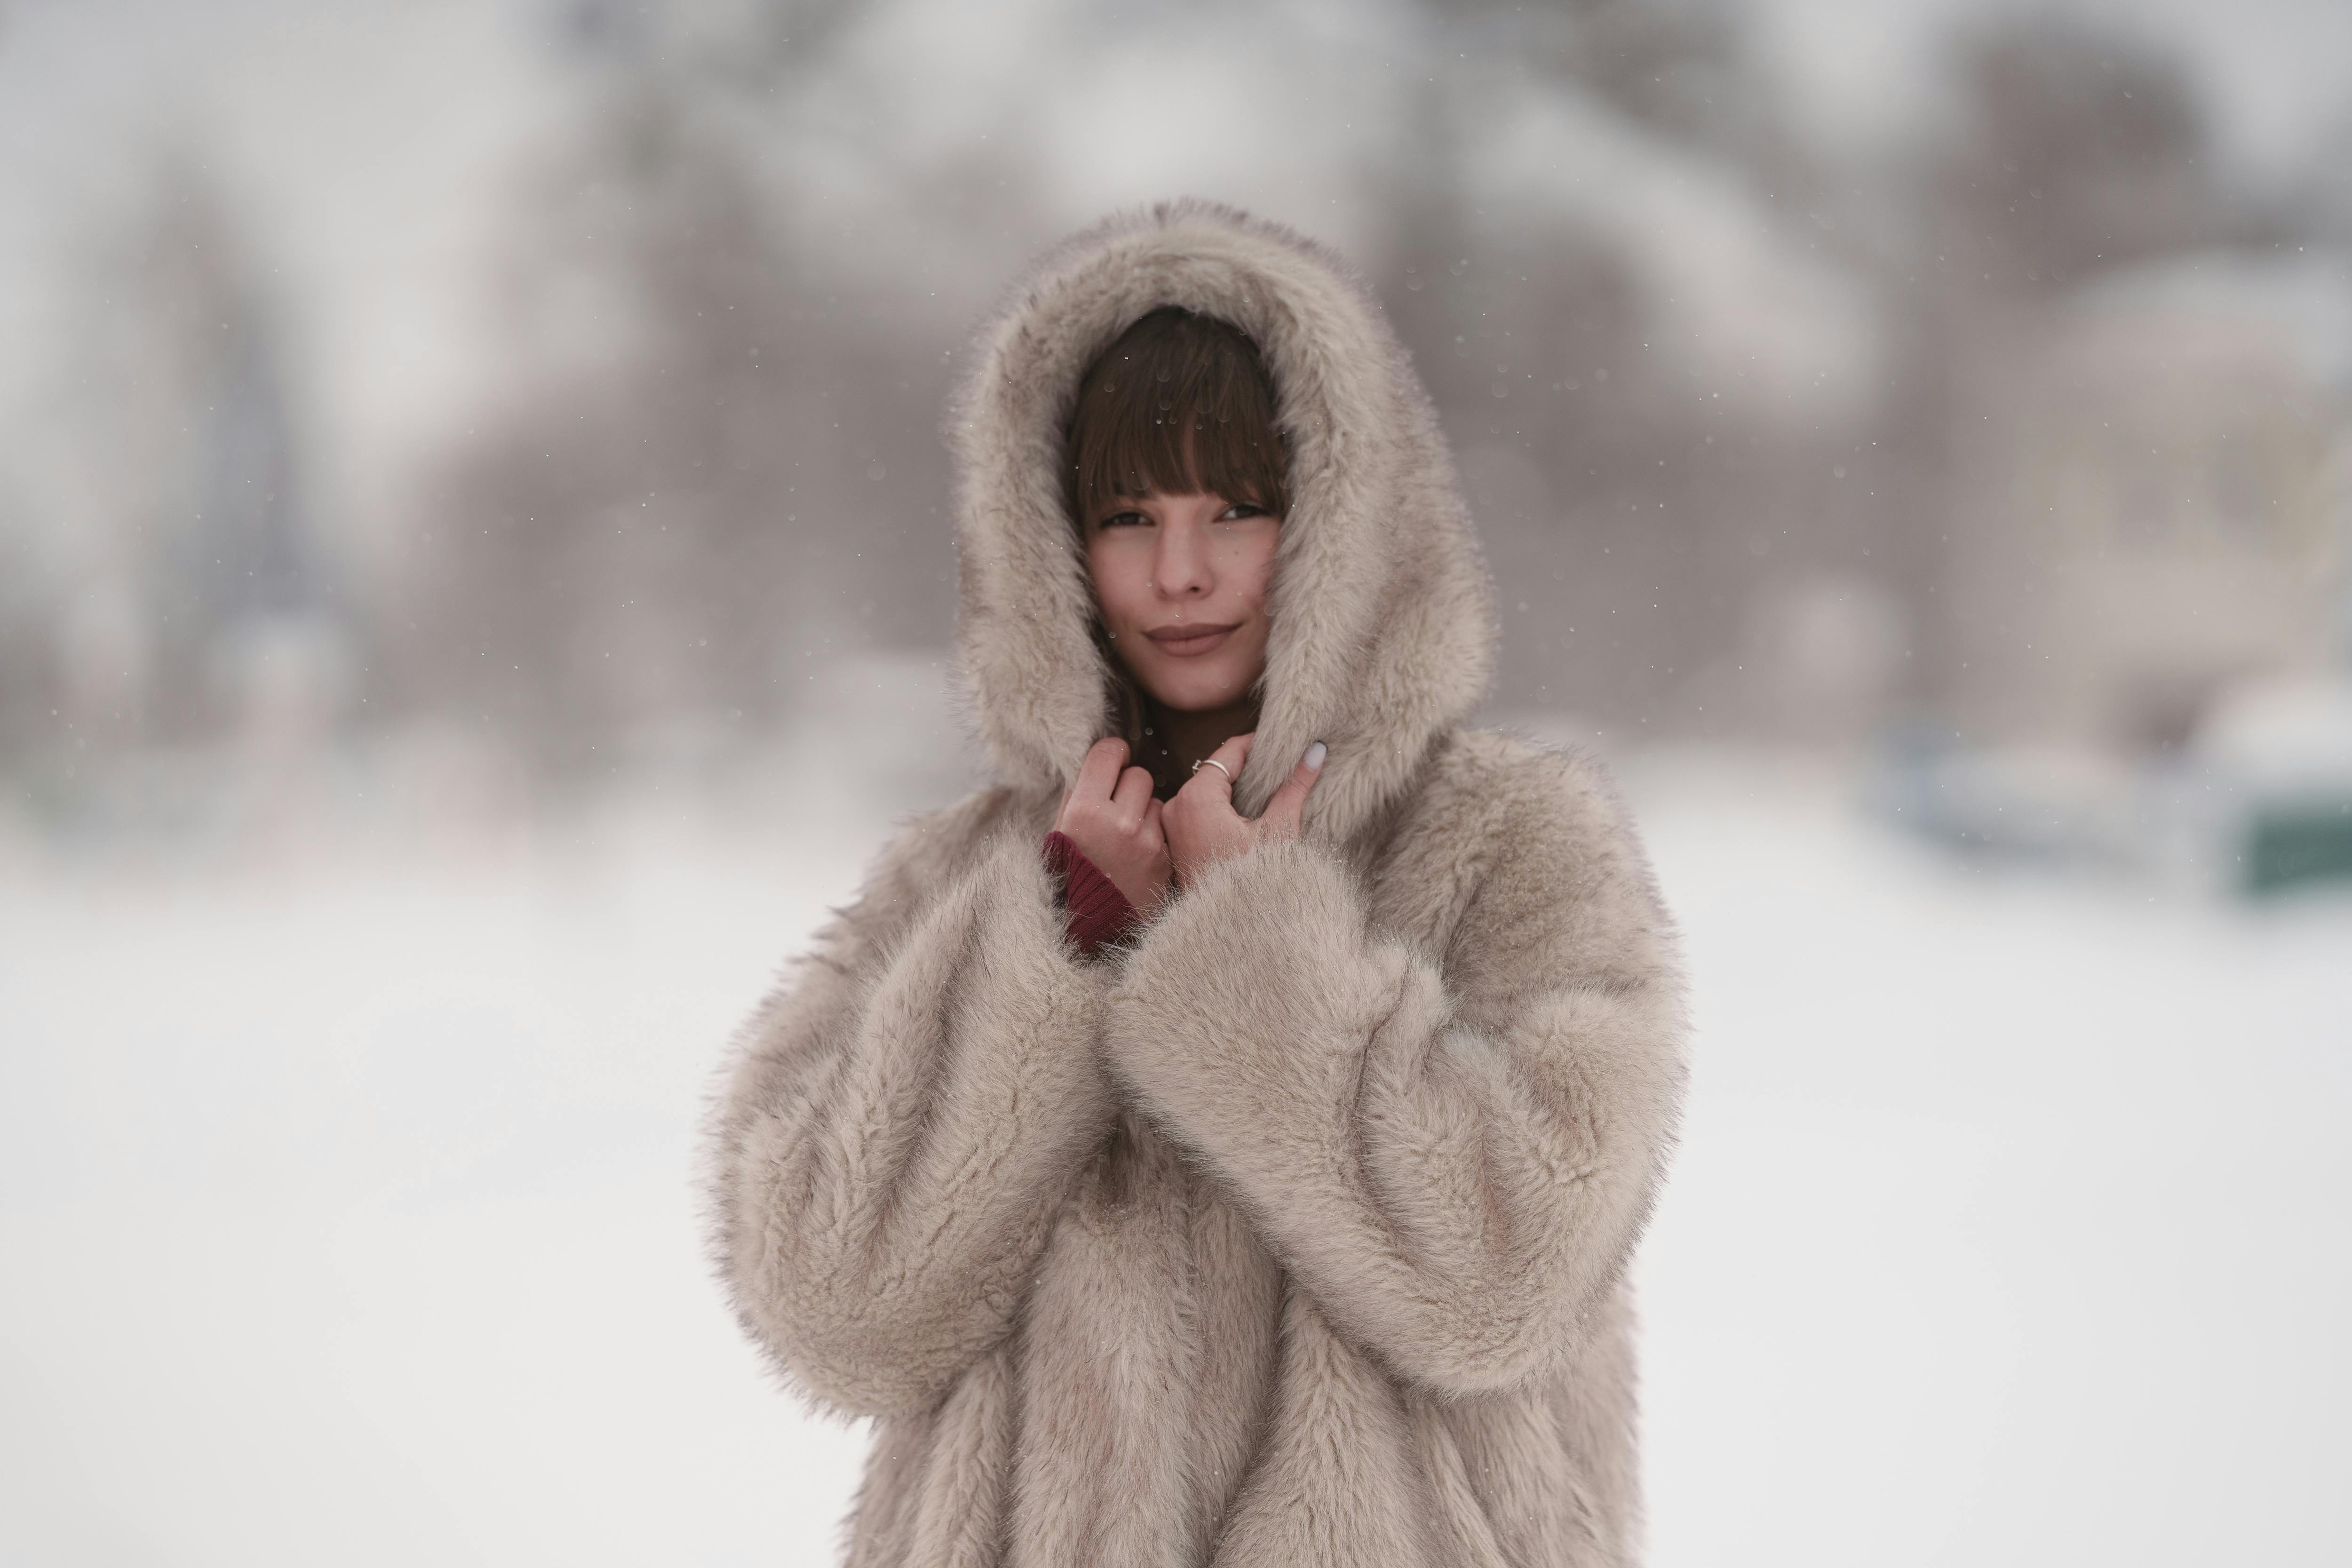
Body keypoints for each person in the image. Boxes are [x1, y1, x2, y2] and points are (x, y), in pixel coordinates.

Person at [706, 201, 1688, 1568]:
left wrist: (1256, 962)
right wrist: (1058, 943)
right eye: (1127, 516)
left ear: (1345, 522)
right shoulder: (960, 884)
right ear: (1053, 548)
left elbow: (1507, 1281)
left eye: (1239, 507)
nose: (1182, 571)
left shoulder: (1518, 850)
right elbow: (829, 1305)